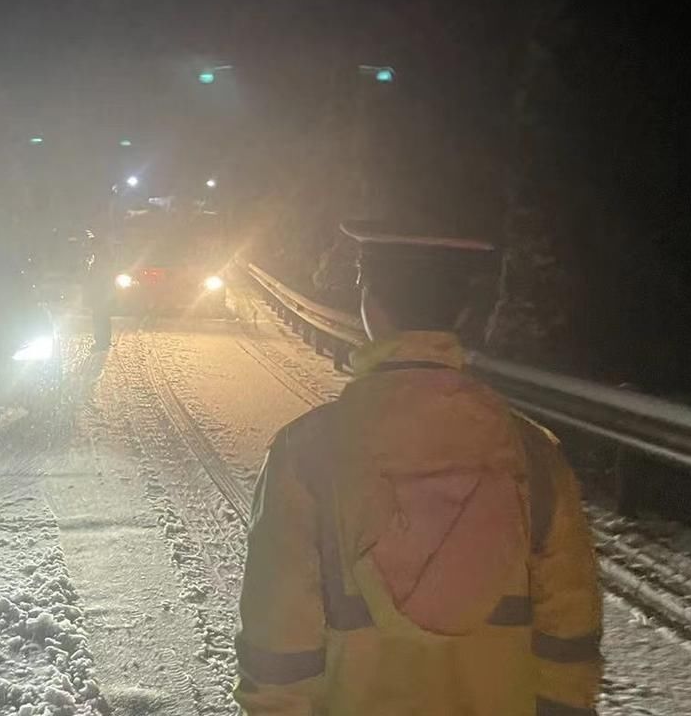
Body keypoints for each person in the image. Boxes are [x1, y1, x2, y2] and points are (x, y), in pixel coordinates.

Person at [236, 227, 603, 716]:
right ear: (467, 314)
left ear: (371, 306)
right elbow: (570, 641)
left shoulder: (305, 455)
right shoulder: (535, 457)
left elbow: (278, 645)